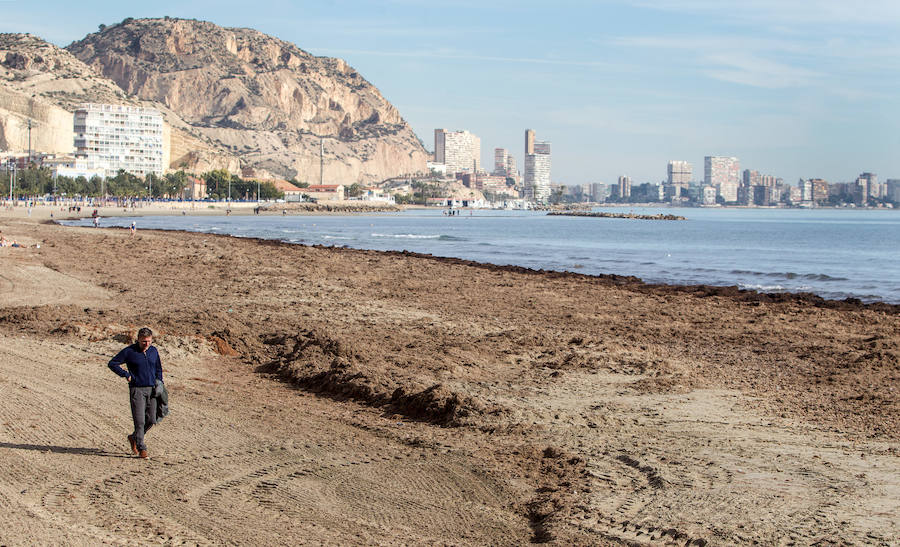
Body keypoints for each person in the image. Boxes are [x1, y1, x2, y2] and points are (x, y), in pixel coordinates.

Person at [108, 327, 164, 459]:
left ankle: (134, 437)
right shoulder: (129, 351)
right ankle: (141, 447)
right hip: (136, 390)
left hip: (152, 389)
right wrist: (125, 374)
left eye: (149, 341)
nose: (146, 344)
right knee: (139, 420)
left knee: (151, 419)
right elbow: (112, 363)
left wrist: (160, 383)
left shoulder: (153, 351)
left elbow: (158, 369)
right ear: (138, 339)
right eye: (144, 341)